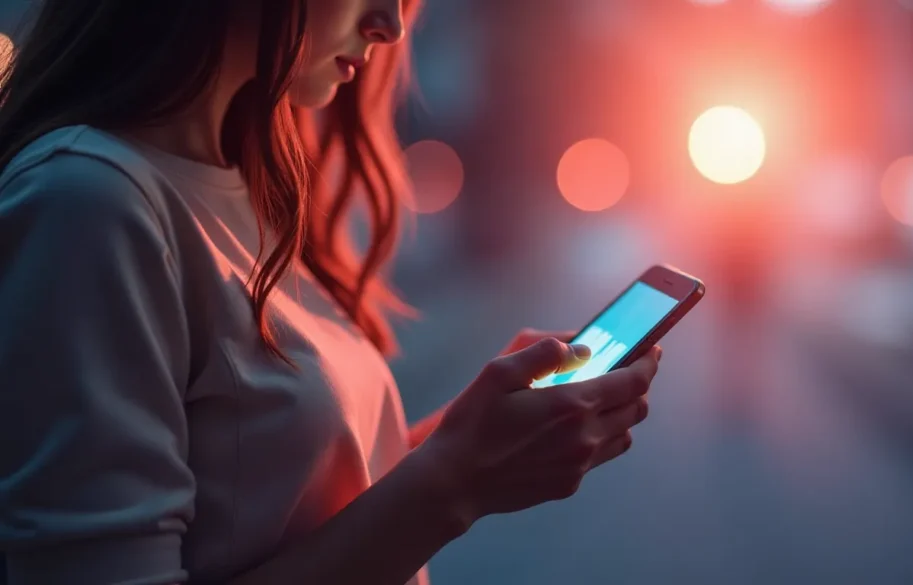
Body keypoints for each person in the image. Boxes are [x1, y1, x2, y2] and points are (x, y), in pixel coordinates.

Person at [0, 1, 662, 584]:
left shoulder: (237, 178)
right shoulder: (88, 205)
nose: (390, 24)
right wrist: (455, 481)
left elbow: (269, 498)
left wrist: (461, 437)